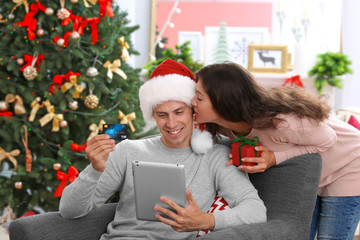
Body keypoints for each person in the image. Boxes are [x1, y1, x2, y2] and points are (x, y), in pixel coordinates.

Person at [59, 59, 266, 239]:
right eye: (162, 115)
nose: (172, 123)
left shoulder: (216, 155)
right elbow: (69, 211)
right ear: (153, 116)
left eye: (179, 112)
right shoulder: (127, 151)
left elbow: (256, 211)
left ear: (193, 112)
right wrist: (94, 170)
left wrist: (206, 220)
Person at [190, 61, 360, 240]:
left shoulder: (281, 122)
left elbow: (329, 138)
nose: (192, 102)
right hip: (312, 175)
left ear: (223, 101)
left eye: (199, 97)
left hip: (348, 164)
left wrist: (275, 158)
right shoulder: (223, 126)